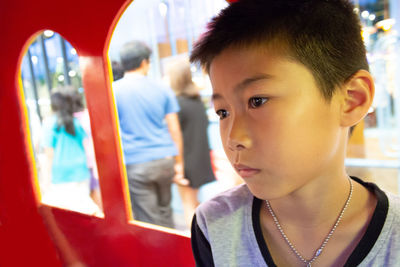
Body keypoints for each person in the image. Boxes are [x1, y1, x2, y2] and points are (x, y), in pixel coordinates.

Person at [189, 0, 400, 266]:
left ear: (352, 100)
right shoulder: (215, 225)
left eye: (258, 101)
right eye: (223, 112)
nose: (233, 139)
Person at [113, 41, 186, 228]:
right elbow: (174, 129)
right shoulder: (162, 88)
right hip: (164, 159)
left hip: (136, 163)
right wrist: (179, 163)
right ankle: (173, 253)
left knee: (148, 220)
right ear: (144, 62)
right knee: (166, 212)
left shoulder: (114, 91)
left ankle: (159, 257)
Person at [167, 58, 216, 228]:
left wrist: (177, 164)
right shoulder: (197, 101)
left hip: (186, 160)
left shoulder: (176, 105)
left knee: (188, 205)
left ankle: (192, 245)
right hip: (201, 159)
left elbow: (174, 136)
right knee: (195, 203)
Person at [41, 90, 100, 215]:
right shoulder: (76, 122)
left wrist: (46, 180)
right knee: (83, 208)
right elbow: (85, 144)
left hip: (61, 173)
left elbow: (49, 154)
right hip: (81, 169)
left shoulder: (50, 123)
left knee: (69, 212)